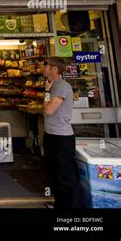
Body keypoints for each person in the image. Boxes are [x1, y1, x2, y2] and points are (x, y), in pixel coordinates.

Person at [43, 57, 82, 208]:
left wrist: (46, 92)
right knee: (55, 173)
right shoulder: (54, 86)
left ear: (54, 69)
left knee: (66, 176)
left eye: (45, 65)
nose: (43, 67)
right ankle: (60, 204)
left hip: (61, 138)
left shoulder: (62, 87)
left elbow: (48, 110)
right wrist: (47, 90)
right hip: (52, 135)